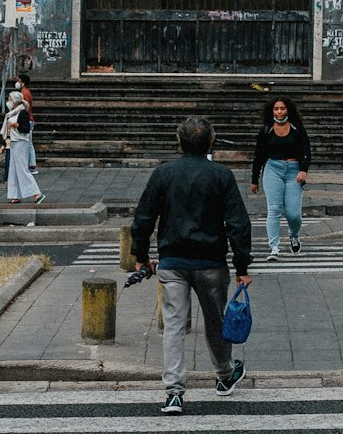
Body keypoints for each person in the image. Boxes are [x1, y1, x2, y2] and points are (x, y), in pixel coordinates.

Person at [131, 114, 251, 416]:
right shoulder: (221, 175)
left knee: (173, 325)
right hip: (210, 260)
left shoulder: (163, 173)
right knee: (216, 323)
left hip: (172, 260)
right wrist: (242, 266)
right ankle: (224, 375)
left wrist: (141, 255)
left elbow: (144, 217)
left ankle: (174, 392)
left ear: (178, 142)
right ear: (210, 142)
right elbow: (237, 223)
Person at [250, 94, 311, 260]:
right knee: (274, 209)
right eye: (276, 109)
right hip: (273, 169)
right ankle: (274, 247)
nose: (279, 112)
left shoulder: (297, 128)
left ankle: (294, 235)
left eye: (282, 108)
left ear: (288, 110)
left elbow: (306, 152)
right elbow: (259, 155)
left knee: (293, 214)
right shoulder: (266, 129)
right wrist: (254, 179)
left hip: (294, 171)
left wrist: (303, 170)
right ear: (272, 111)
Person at [1, 90, 44, 206]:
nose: (8, 102)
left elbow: (25, 129)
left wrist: (15, 125)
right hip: (13, 142)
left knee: (22, 168)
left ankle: (37, 192)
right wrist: (4, 144)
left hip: (21, 142)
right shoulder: (12, 113)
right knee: (13, 170)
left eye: (9, 99)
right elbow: (7, 131)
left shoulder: (22, 113)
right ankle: (15, 194)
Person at [16, 73, 37, 171]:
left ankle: (31, 164)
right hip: (28, 119)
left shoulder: (24, 93)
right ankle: (31, 164)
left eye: (18, 81)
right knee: (29, 143)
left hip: (27, 120)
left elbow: (25, 108)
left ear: (22, 82)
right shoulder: (25, 92)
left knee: (28, 143)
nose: (17, 83)